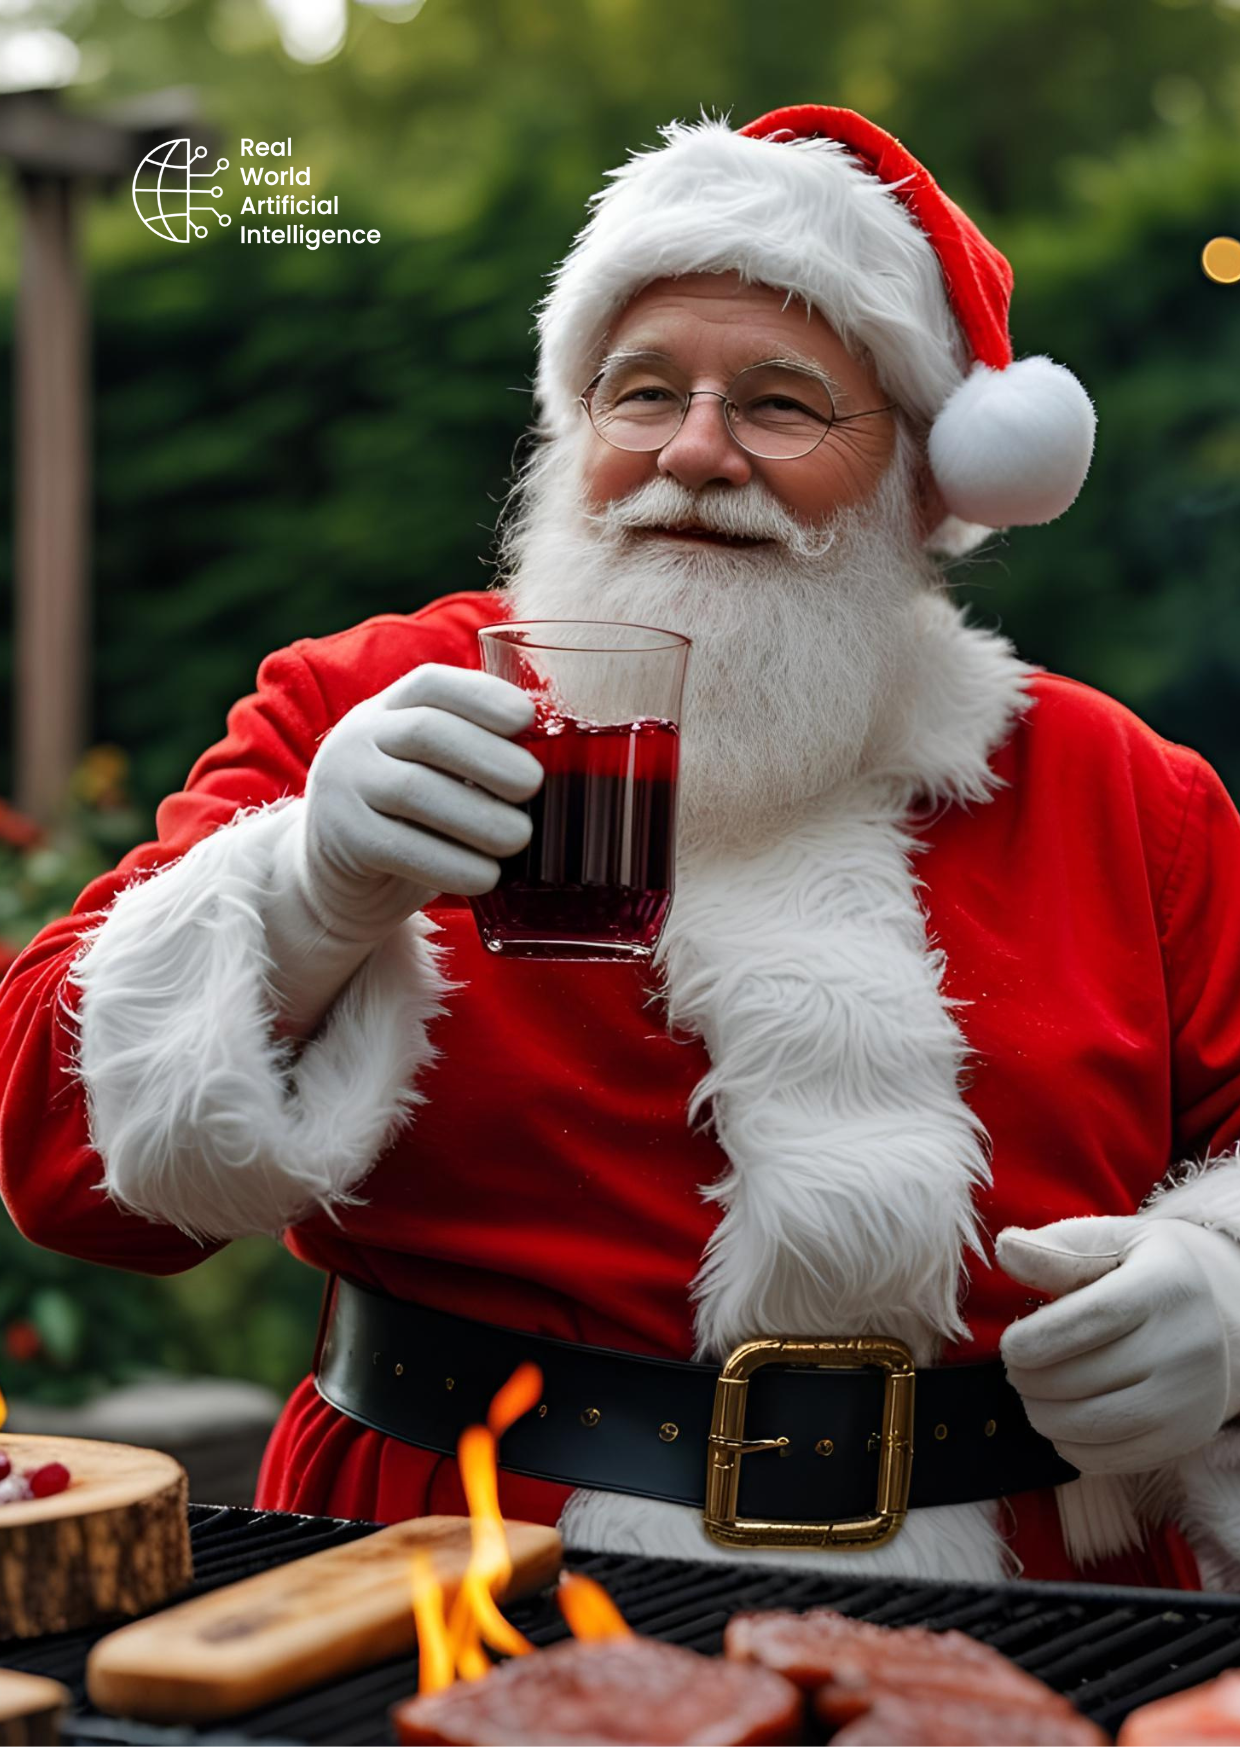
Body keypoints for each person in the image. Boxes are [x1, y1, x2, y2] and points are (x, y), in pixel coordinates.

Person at [3, 104, 1240, 1591]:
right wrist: (295, 897)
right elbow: (54, 1167)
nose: (697, 450)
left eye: (783, 405)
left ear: (924, 480)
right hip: (446, 1584)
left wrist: (1228, 1292)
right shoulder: (370, 707)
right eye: (638, 392)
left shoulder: (1124, 794)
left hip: (1048, 1611)